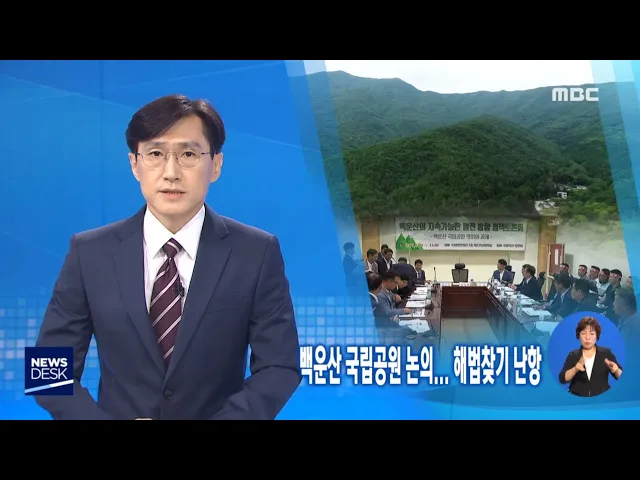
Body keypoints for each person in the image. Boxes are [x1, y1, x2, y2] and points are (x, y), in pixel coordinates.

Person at [35, 94, 301, 420]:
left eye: (188, 154)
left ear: (216, 165)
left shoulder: (256, 253)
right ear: (134, 164)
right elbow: (46, 371)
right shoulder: (90, 253)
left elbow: (279, 367)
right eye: (155, 154)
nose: (171, 172)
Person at [558, 316, 622, 397]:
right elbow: (563, 379)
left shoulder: (606, 353)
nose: (587, 338)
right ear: (578, 335)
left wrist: (616, 370)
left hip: (602, 398)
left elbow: (622, 377)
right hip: (578, 398)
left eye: (592, 334)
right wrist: (575, 369)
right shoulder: (573, 355)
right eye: (583, 333)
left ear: (597, 336)